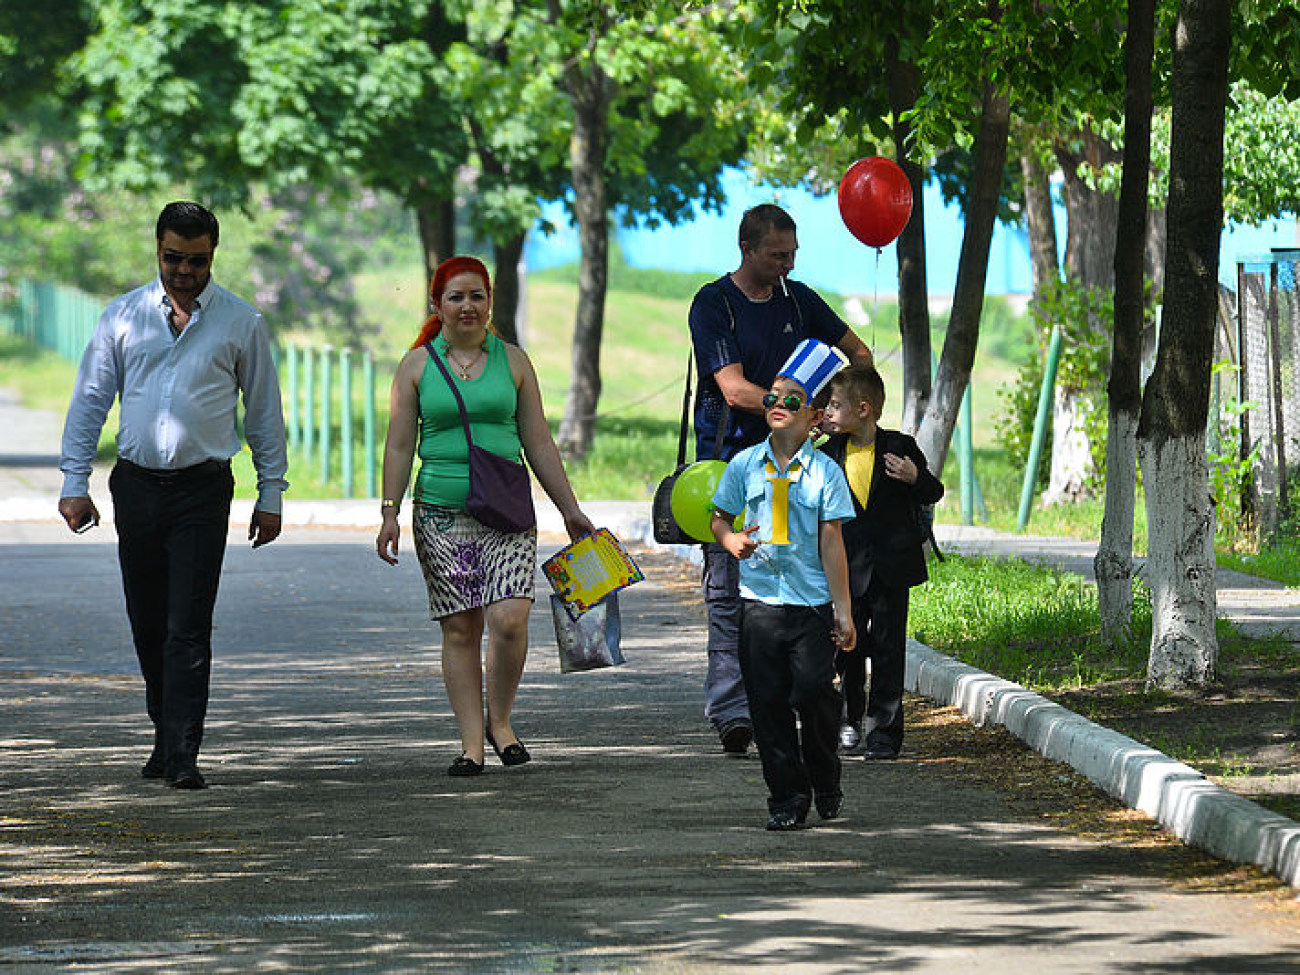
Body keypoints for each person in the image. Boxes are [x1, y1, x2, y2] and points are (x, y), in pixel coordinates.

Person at [58, 200, 289, 790]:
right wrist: (73, 480)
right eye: (172, 258)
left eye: (196, 260)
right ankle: (165, 731)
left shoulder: (241, 324)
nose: (183, 271)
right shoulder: (122, 316)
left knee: (188, 623)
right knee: (146, 620)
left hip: (201, 490)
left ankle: (183, 751)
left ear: (213, 255)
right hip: (135, 486)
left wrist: (272, 493)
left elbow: (263, 412)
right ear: (157, 250)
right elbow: (91, 399)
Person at [376, 255, 595, 777]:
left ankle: (502, 722)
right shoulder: (416, 366)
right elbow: (400, 444)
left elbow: (537, 439)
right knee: (460, 628)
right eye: (456, 297)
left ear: (489, 301)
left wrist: (570, 509)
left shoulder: (514, 361)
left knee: (510, 619)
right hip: (442, 514)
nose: (467, 306)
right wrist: (389, 512)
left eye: (477, 296)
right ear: (438, 304)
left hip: (507, 509)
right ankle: (472, 745)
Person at [688, 202, 872, 756]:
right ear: (747, 250)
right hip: (733, 466)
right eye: (776, 255)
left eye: (792, 254)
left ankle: (799, 698)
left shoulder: (800, 299)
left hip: (802, 470)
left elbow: (857, 352)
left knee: (803, 589)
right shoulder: (714, 303)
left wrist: (842, 407)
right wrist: (795, 405)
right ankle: (733, 710)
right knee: (729, 593)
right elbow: (734, 389)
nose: (787, 265)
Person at [709, 340, 857, 830]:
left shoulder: (825, 473)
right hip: (760, 606)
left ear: (814, 416)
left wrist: (844, 610)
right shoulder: (745, 464)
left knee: (816, 694)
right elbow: (719, 518)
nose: (777, 406)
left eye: (792, 400)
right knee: (767, 705)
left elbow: (833, 543)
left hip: (811, 606)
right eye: (772, 397)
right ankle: (786, 798)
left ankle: (824, 773)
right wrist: (730, 541)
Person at [817, 363, 944, 760]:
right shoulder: (828, 454)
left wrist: (913, 476)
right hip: (843, 571)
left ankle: (884, 733)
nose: (829, 413)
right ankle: (849, 720)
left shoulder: (899, 447)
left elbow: (933, 490)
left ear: (864, 409)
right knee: (846, 650)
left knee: (889, 652)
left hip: (891, 568)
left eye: (836, 406)